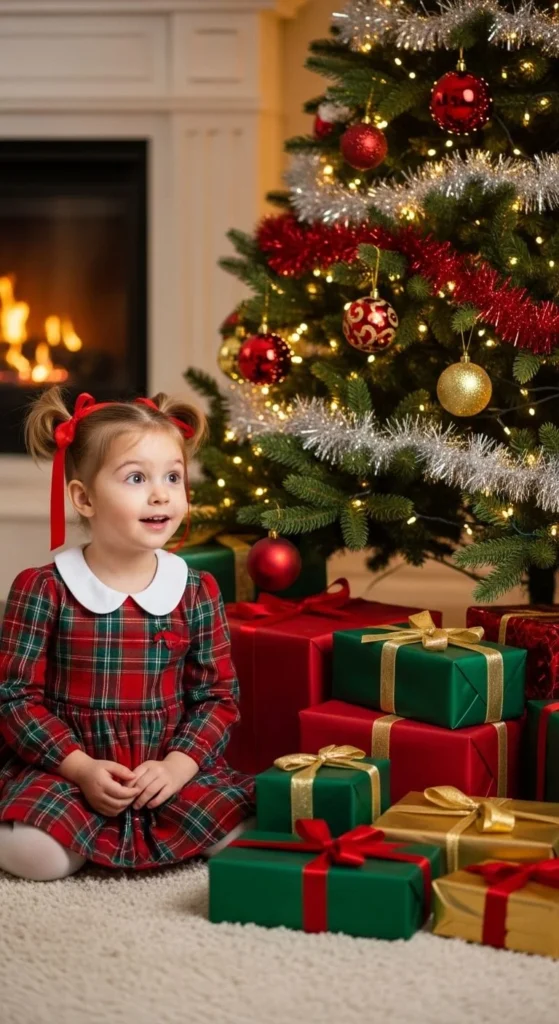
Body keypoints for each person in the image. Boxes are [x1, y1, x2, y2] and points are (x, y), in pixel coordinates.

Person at [0, 388, 255, 881]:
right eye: (136, 478)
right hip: (70, 770)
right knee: (42, 858)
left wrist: (178, 767)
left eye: (173, 477)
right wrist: (79, 768)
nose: (160, 494)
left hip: (165, 768)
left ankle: (169, 809)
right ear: (84, 497)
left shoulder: (196, 589)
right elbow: (14, 698)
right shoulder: (44, 589)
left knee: (246, 830)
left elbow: (218, 697)